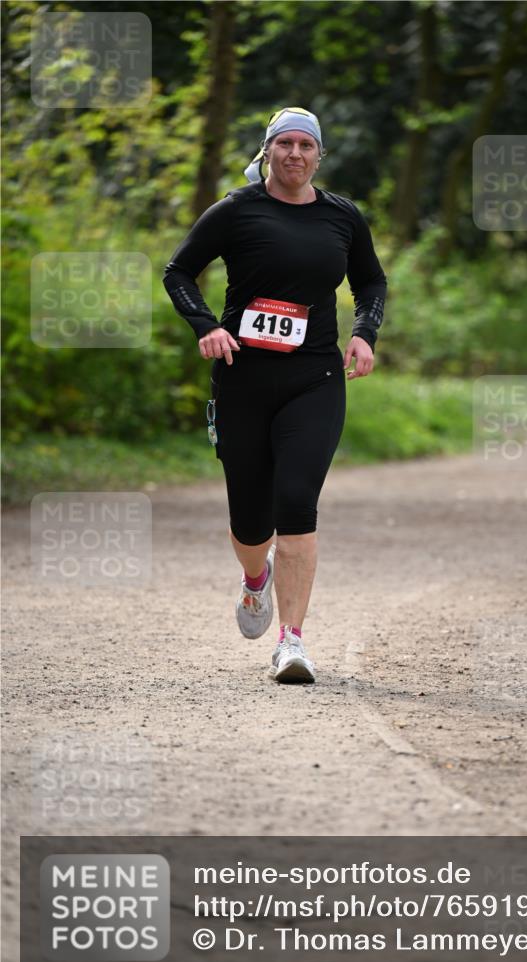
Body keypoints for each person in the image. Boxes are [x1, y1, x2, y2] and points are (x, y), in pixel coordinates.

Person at [163, 107, 387, 683]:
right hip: (243, 379)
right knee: (249, 516)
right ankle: (255, 578)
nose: (294, 154)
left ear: (319, 156)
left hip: (315, 379)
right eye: (283, 144)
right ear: (267, 151)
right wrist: (207, 326)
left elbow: (370, 281)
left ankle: (292, 643)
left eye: (305, 146)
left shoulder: (342, 217)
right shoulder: (237, 211)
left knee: (296, 501)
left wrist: (364, 334)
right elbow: (178, 271)